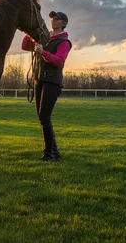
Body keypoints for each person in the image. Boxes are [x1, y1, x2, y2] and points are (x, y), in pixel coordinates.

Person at [22, 10, 72, 161]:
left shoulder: (64, 42)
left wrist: (43, 52)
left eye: (56, 19)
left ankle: (49, 153)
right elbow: (25, 45)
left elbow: (59, 61)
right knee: (42, 117)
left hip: (52, 81)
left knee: (44, 116)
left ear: (63, 23)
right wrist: (31, 31)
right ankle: (54, 152)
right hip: (39, 80)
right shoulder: (44, 38)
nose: (53, 21)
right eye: (52, 19)